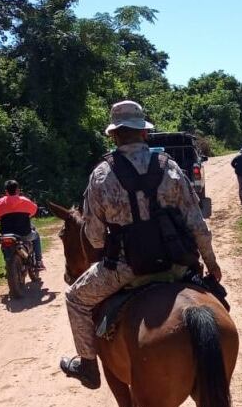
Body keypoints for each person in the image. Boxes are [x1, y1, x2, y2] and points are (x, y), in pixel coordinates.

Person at [58, 100, 221, 389]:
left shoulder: (100, 175)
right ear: (144, 133)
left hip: (125, 268)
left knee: (75, 298)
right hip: (176, 263)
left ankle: (88, 367)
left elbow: (94, 236)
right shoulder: (169, 167)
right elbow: (197, 223)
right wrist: (211, 264)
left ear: (114, 135)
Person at [0, 179, 42, 270]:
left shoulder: (1, 202)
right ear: (18, 190)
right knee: (36, 236)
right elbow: (35, 211)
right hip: (24, 235)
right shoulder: (24, 200)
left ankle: (7, 263)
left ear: (6, 191)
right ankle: (38, 261)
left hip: (7, 236)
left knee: (4, 246)